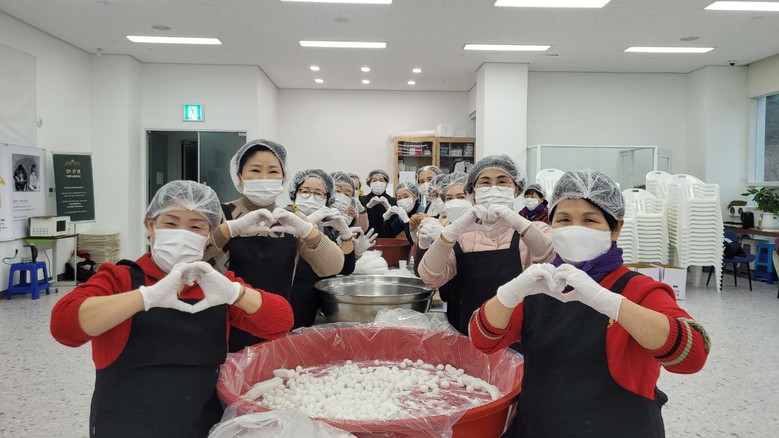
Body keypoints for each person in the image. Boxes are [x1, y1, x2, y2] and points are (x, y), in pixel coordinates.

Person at [470, 169, 710, 438]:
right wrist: (509, 294)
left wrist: (611, 303)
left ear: (616, 228)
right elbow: (483, 341)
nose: (575, 229)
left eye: (589, 220)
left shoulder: (640, 290)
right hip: (539, 426)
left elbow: (692, 356)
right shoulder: (540, 287)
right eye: (564, 220)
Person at [50, 180, 294, 438]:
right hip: (125, 427)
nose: (182, 233)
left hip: (200, 426)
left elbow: (280, 323)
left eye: (196, 226)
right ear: (150, 226)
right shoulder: (119, 279)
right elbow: (64, 326)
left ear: (209, 235)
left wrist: (236, 293)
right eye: (171, 223)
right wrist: (146, 297)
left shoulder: (215, 286)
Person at [205, 139, 344, 351]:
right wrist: (227, 231)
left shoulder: (290, 219)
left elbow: (332, 267)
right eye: (255, 170)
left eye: (272, 171)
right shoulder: (219, 215)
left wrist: (308, 231)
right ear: (239, 177)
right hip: (225, 325)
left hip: (275, 324)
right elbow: (192, 260)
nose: (264, 178)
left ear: (283, 178)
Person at [417, 155, 555, 333]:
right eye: (485, 182)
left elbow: (550, 259)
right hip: (472, 333)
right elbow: (430, 277)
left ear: (516, 189)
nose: (493, 188)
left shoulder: (537, 229)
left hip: (522, 334)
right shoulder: (462, 238)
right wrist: (449, 234)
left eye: (502, 181)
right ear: (473, 191)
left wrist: (518, 223)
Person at [287, 169, 356, 328]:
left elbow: (345, 268)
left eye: (318, 194)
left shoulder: (326, 226)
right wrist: (305, 224)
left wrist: (346, 235)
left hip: (313, 304)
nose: (311, 197)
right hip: (290, 302)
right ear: (294, 194)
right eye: (305, 191)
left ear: (327, 199)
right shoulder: (283, 217)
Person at [359, 169, 397, 237]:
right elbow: (358, 222)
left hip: (388, 238)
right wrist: (367, 207)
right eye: (374, 180)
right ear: (369, 183)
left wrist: (389, 208)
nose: (377, 183)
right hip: (366, 238)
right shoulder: (362, 200)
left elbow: (395, 224)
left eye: (381, 180)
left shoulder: (393, 201)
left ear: (386, 184)